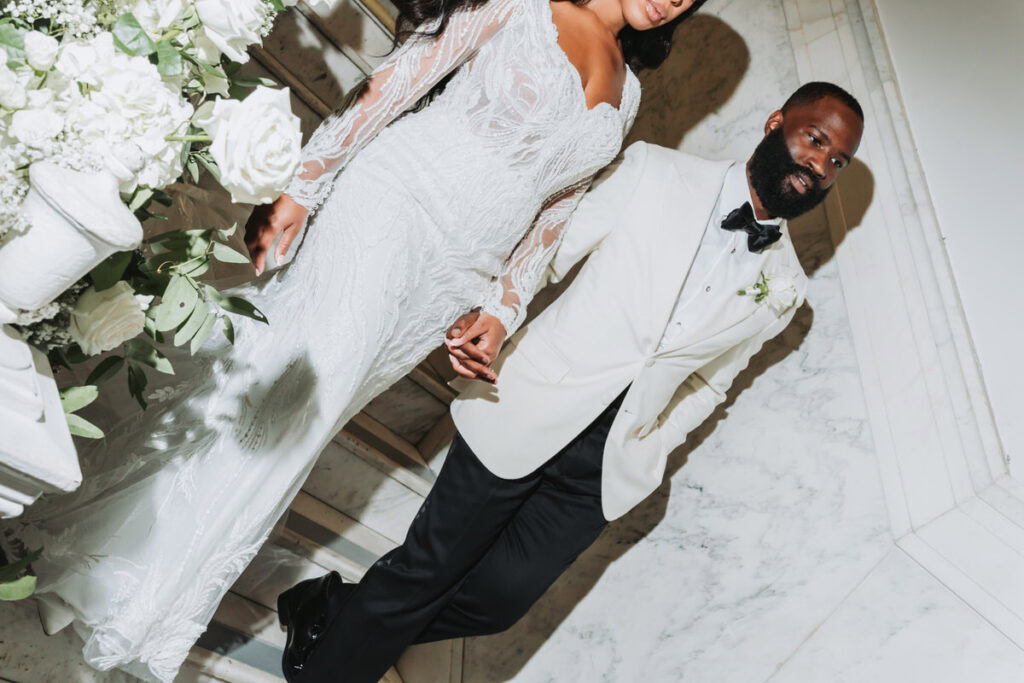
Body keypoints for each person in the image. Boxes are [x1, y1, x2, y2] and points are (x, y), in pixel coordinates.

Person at [10, 0, 703, 680]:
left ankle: (121, 574)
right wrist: (305, 184)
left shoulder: (629, 92)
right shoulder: (518, 5)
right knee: (291, 410)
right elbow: (403, 77)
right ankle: (116, 593)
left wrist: (504, 308)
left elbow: (558, 210)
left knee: (289, 416)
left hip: (454, 274)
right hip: (393, 201)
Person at [279, 82, 865, 683]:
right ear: (776, 123)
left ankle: (333, 610)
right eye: (814, 139)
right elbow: (551, 254)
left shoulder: (786, 288)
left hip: (605, 464)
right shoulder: (658, 171)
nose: (819, 165)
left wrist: (655, 444)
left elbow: (712, 386)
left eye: (837, 162)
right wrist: (494, 314)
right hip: (530, 400)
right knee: (427, 571)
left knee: (498, 601)